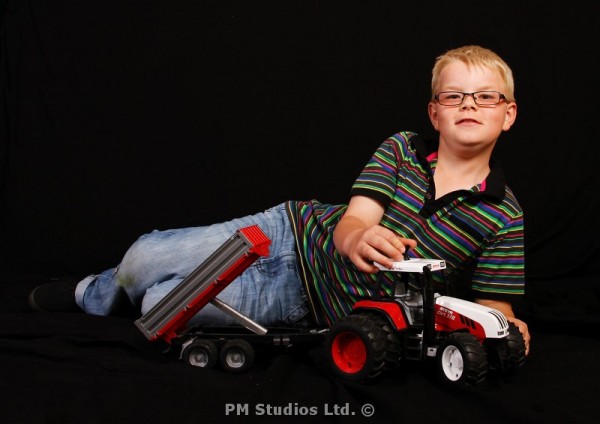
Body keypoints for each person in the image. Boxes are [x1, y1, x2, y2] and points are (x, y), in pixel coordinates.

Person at [29, 45, 530, 355]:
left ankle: (127, 293)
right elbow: (355, 221)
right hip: (288, 235)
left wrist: (508, 331)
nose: (469, 105)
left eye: (485, 97)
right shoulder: (402, 148)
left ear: (506, 115)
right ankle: (94, 292)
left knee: (162, 304)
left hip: (301, 301)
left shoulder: (504, 215)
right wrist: (358, 238)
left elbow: (491, 304)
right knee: (143, 260)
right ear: (435, 113)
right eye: (454, 96)